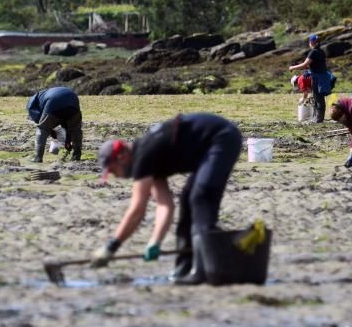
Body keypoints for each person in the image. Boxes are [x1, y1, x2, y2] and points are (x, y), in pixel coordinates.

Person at [92, 113, 242, 286]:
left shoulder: (143, 158)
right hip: (210, 147)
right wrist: (155, 242)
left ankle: (203, 269)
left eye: (113, 171)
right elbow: (165, 206)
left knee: (201, 196)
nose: (115, 176)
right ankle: (184, 267)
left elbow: (136, 211)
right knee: (187, 199)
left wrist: (111, 247)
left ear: (122, 157)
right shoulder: (148, 160)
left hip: (222, 137)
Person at [26, 86, 83, 162]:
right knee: (76, 130)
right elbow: (67, 124)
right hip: (72, 99)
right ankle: (76, 155)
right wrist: (67, 142)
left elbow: (43, 124)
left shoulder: (32, 104)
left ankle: (38, 157)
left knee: (42, 130)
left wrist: (49, 131)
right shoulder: (44, 96)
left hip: (53, 102)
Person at [289, 34, 333, 122]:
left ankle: (318, 118)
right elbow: (316, 65)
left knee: (318, 97)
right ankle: (317, 117)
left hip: (317, 77)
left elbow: (305, 64)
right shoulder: (321, 51)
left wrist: (293, 67)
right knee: (319, 97)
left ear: (312, 42)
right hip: (323, 76)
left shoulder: (313, 52)